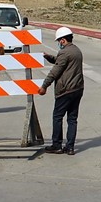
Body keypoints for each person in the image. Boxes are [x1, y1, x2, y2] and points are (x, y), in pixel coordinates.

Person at [38, 27, 84, 155]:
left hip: (66, 90)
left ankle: (56, 145)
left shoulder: (64, 53)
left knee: (57, 117)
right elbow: (63, 63)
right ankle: (70, 147)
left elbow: (55, 71)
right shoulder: (76, 51)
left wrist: (44, 86)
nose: (59, 43)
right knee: (72, 119)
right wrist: (50, 57)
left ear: (63, 40)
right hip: (78, 89)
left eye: (59, 41)